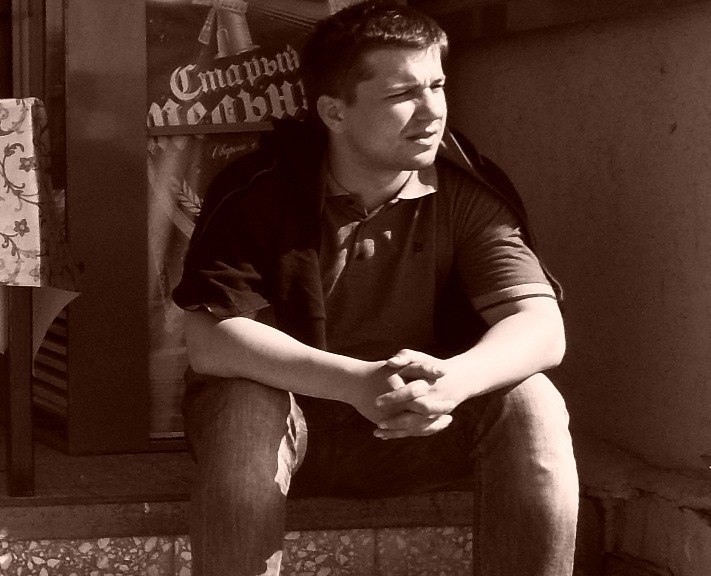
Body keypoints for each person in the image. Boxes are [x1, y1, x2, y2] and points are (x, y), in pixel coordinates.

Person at [172, 2, 579, 575]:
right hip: (291, 430)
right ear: (334, 112)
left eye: (437, 85)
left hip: (421, 428)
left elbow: (540, 327)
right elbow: (210, 339)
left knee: (532, 400)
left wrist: (455, 382)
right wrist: (355, 382)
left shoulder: (466, 189)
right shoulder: (260, 189)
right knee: (245, 407)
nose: (431, 111)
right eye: (402, 94)